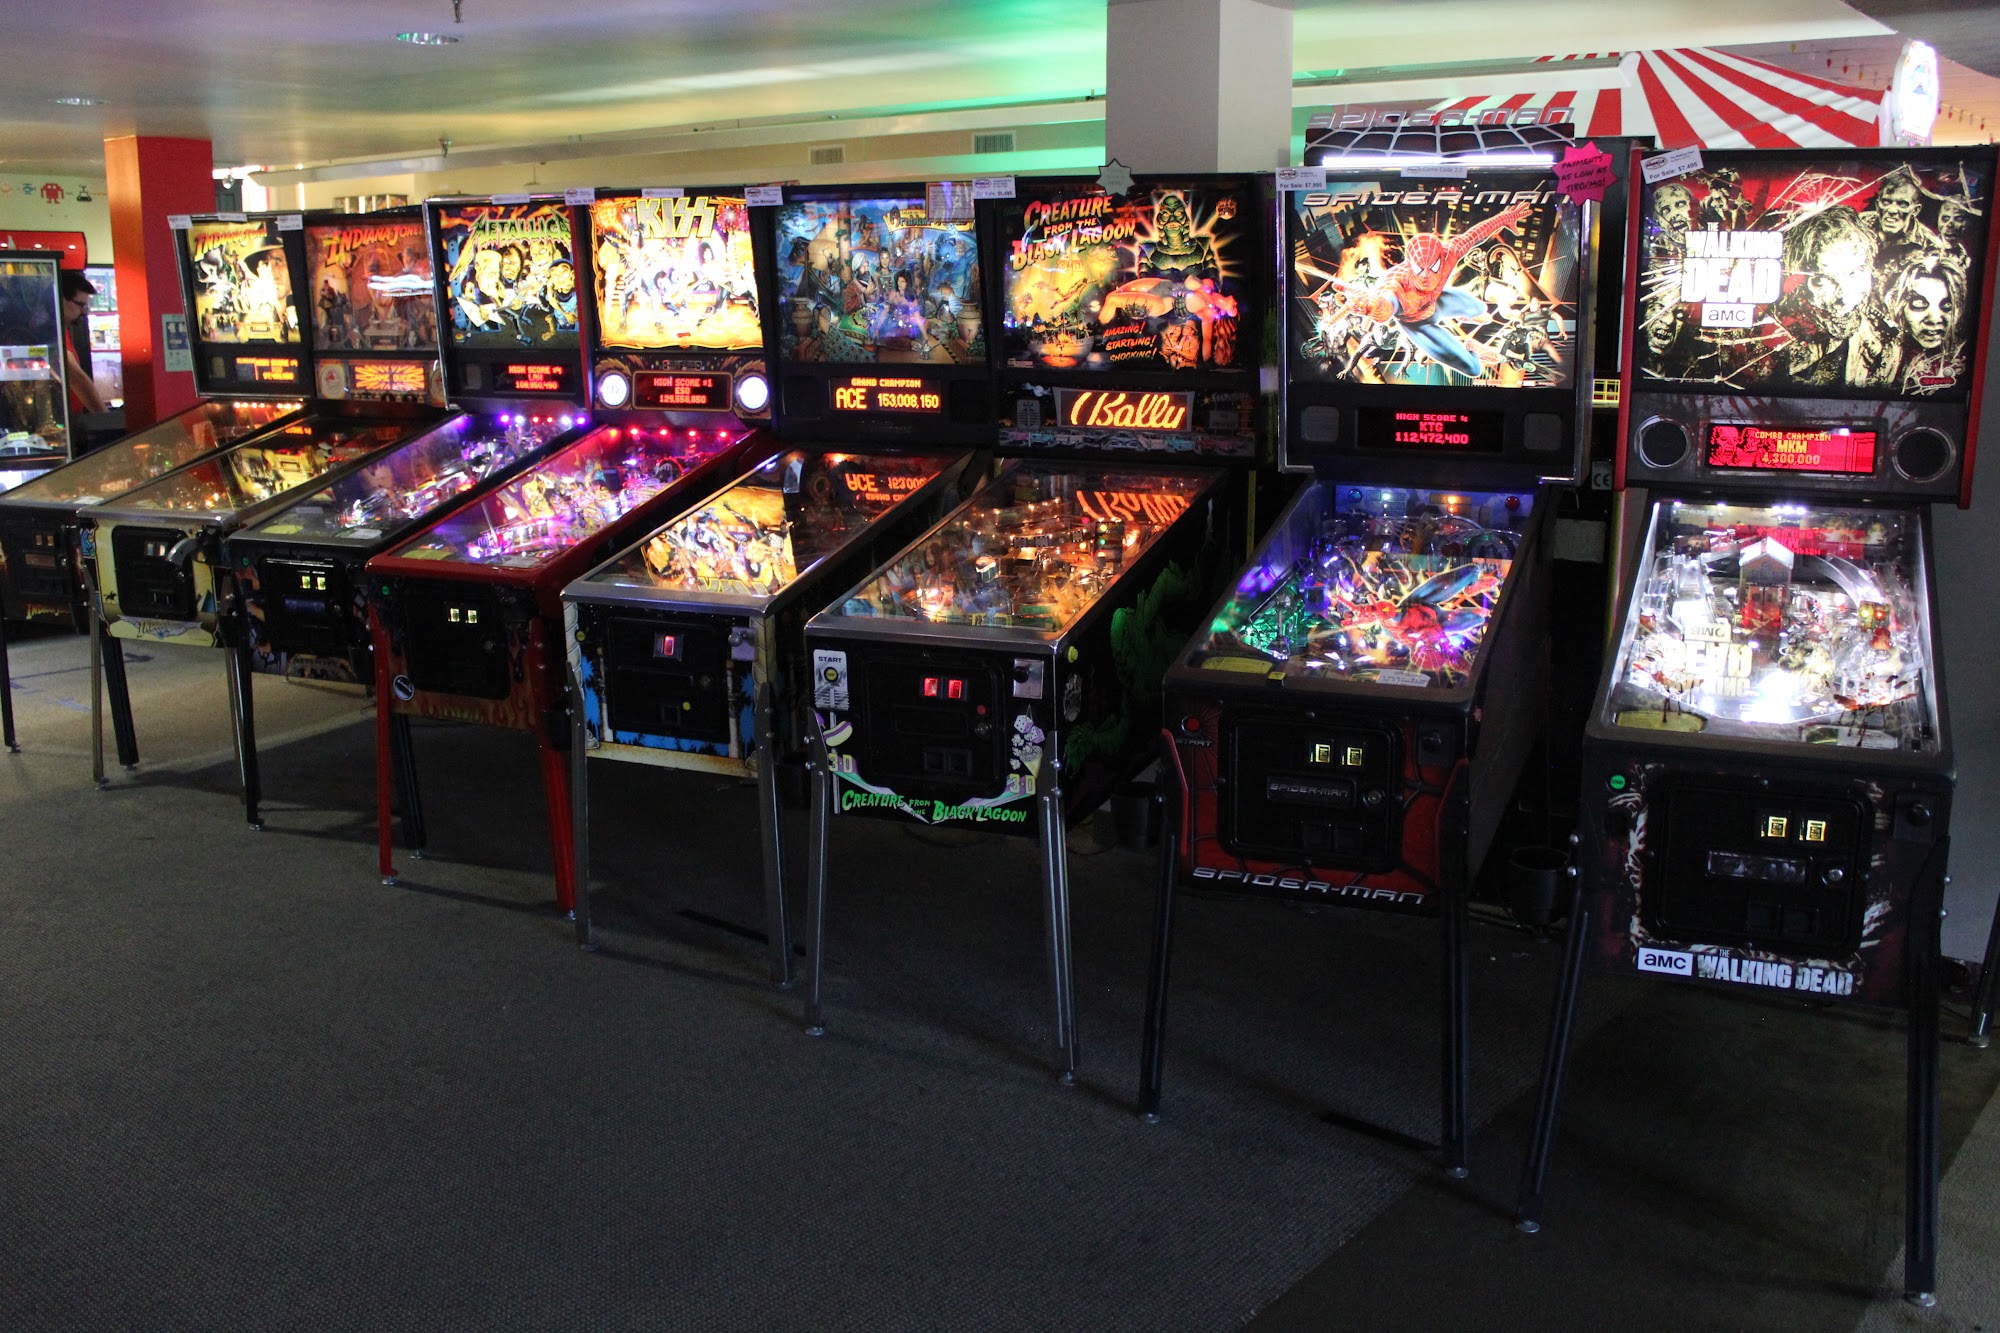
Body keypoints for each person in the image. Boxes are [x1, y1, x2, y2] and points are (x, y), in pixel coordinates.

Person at [59, 271, 107, 428]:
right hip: (64, 423)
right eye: (80, 305)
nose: (84, 311)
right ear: (62, 300)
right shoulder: (53, 332)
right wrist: (104, 419)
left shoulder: (62, 331)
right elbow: (75, 377)